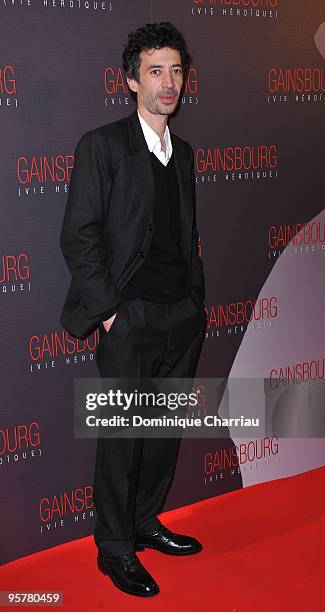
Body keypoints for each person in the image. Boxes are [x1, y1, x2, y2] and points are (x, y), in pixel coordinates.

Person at [59, 21, 206, 597]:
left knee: (163, 432)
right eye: (155, 71)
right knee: (123, 436)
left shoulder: (186, 153)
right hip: (131, 317)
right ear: (130, 80)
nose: (168, 83)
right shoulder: (103, 146)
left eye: (176, 70)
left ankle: (145, 524)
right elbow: (80, 237)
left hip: (181, 315)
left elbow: (185, 234)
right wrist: (111, 312)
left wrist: (196, 300)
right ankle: (114, 547)